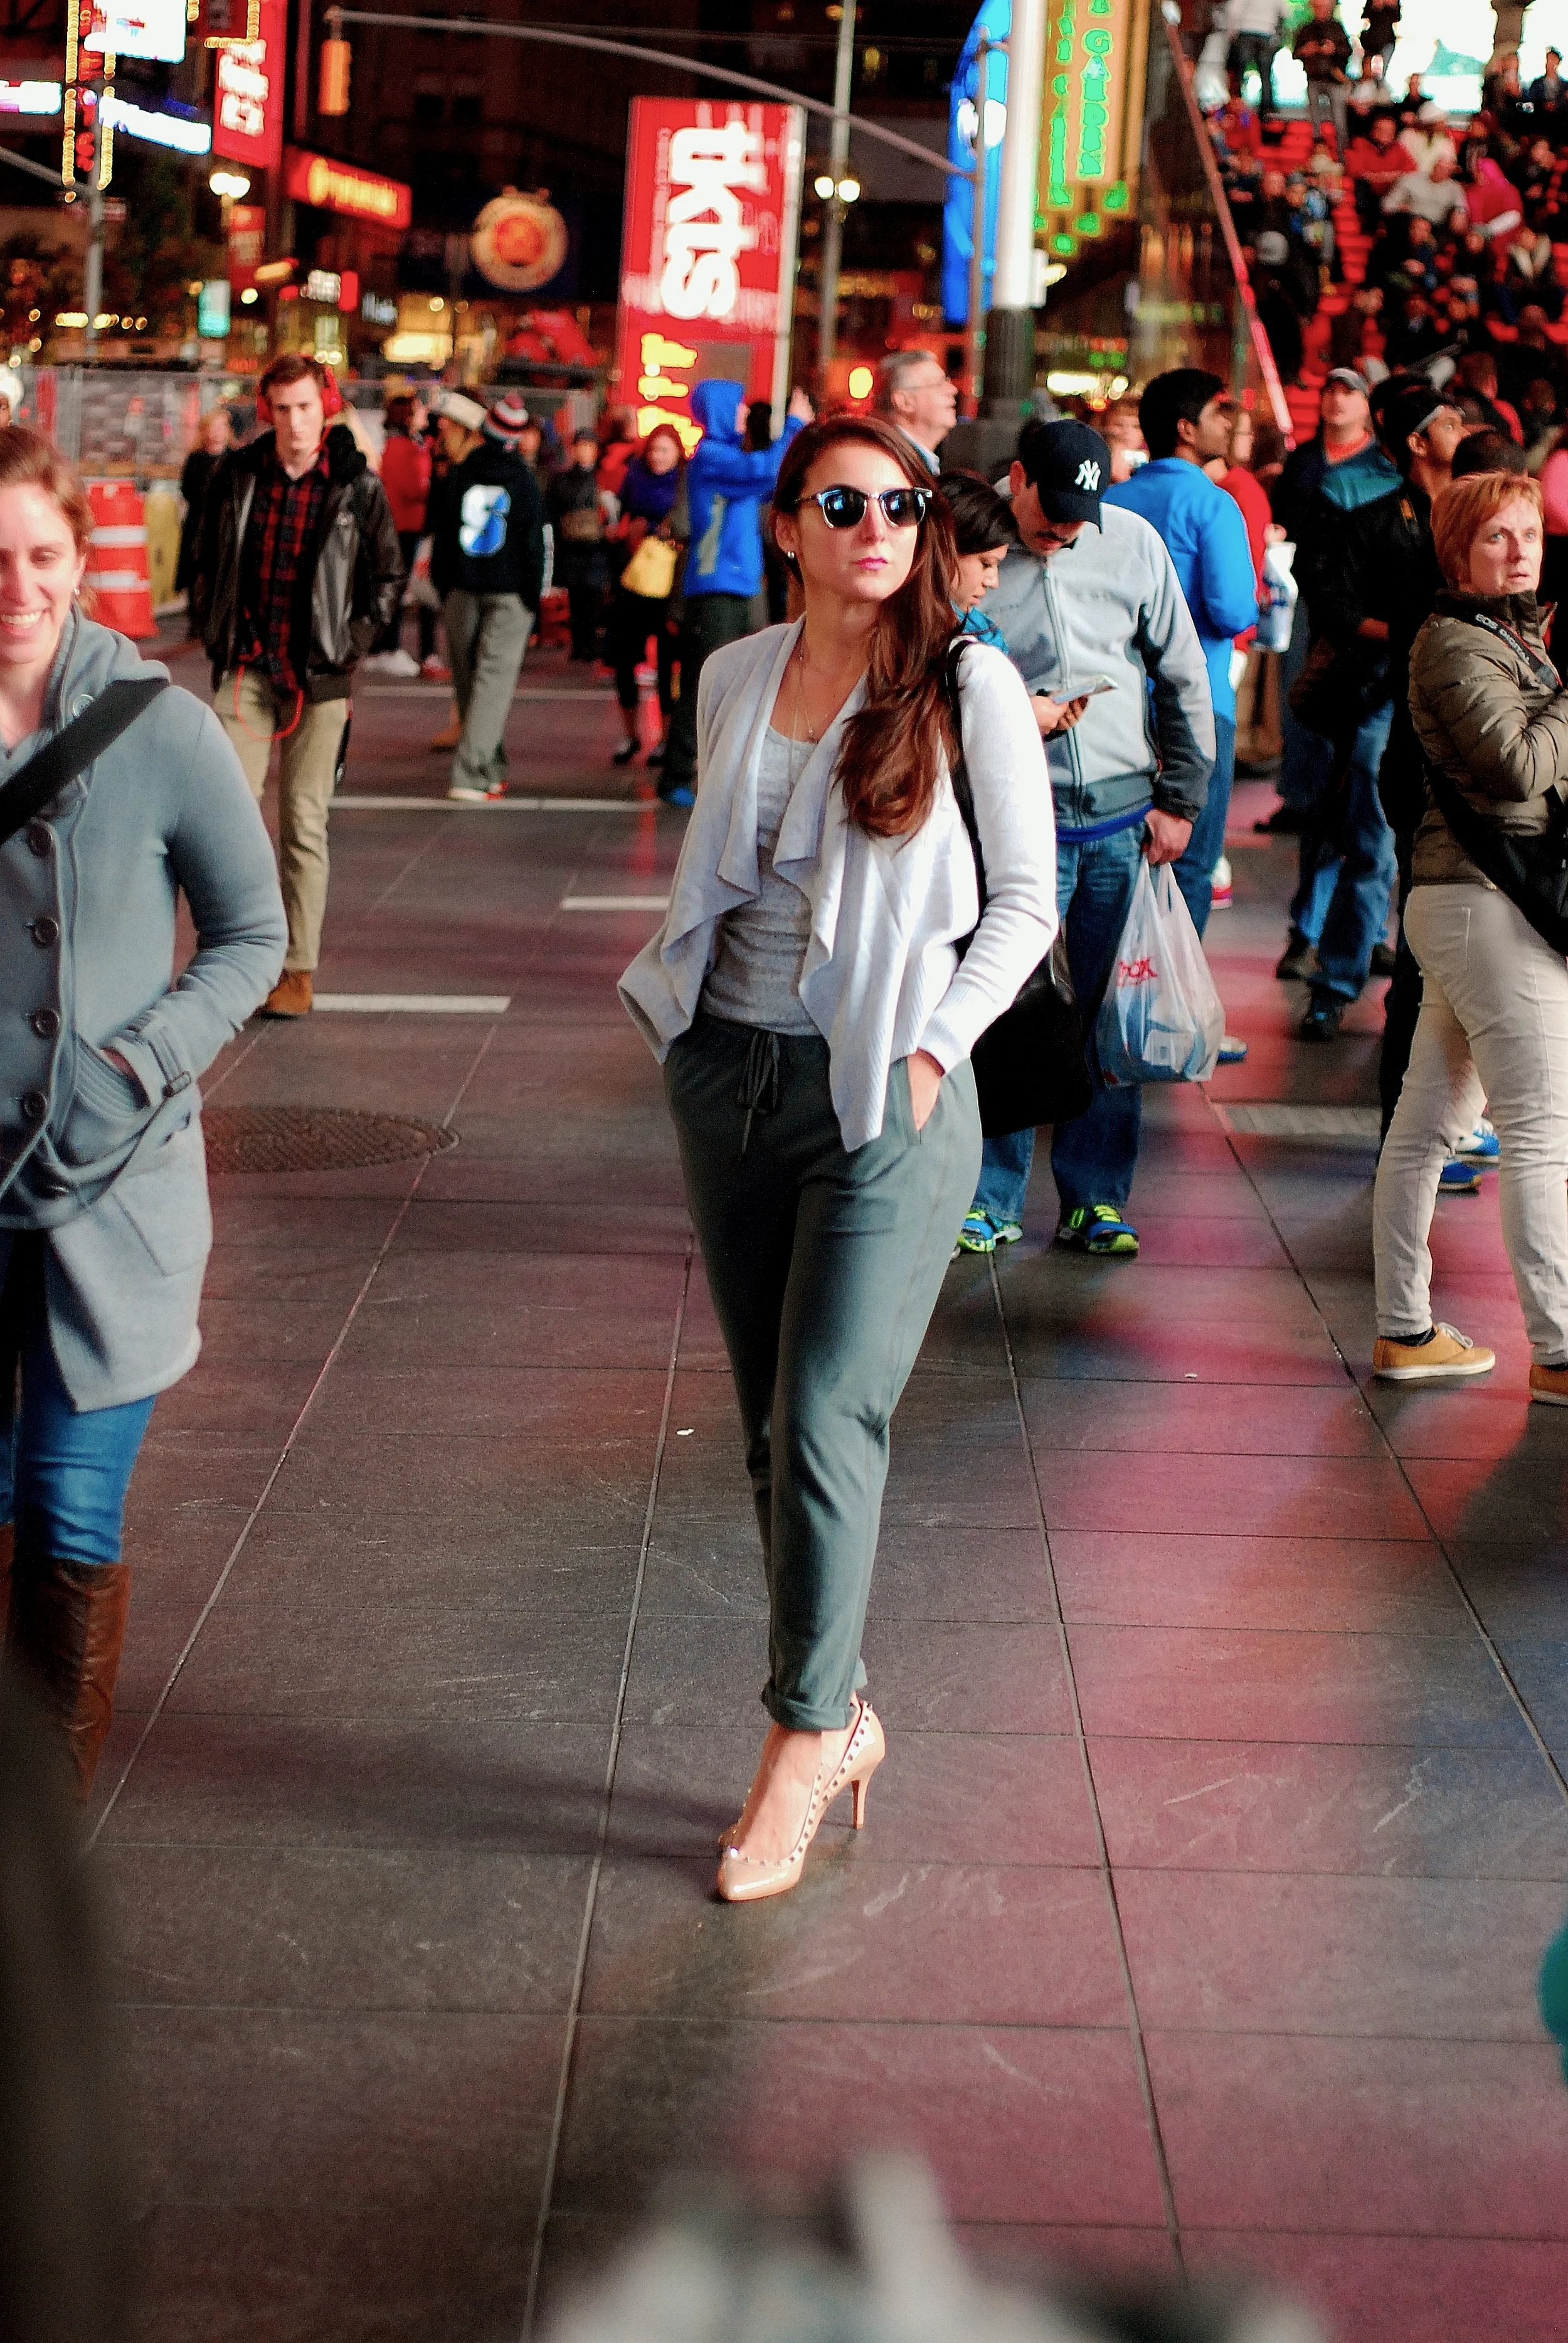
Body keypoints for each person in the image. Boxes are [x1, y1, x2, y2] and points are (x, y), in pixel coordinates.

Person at [618, 416, 1057, 1902]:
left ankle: (805, 1737)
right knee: (767, 1430)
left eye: (901, 504)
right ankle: (846, 1702)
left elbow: (1024, 903)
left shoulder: (965, 680)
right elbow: (722, 879)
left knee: (822, 1414)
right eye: (843, 503)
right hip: (726, 1077)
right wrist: (687, 1046)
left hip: (885, 1094)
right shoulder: (734, 672)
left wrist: (931, 1051)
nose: (876, 527)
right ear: (788, 527)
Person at [0, 425, 286, 1795]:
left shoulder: (158, 728)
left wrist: (137, 1064)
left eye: (40, 555)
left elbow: (251, 935)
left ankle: (39, 1836)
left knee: (68, 1501)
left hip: (109, 1181)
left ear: (80, 563)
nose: (15, 587)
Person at [975, 420, 1213, 1261]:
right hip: (1015, 820)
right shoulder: (973, 542)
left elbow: (1182, 671)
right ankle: (989, 1197)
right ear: (1017, 479)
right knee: (1005, 1007)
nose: (1065, 529)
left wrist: (1182, 799)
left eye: (1081, 515)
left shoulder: (1133, 542)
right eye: (1051, 511)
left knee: (1112, 1016)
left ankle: (1095, 1197)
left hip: (1119, 819)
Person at [1373, 470, 1568, 1402]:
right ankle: (1560, 1349)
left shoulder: (1506, 637)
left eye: (1529, 534)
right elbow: (1516, 767)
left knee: (1428, 1128)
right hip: (1485, 904)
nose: (1519, 551)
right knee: (1540, 1129)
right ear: (1457, 553)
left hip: (1472, 903)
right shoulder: (1455, 639)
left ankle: (1405, 1330)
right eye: (1497, 536)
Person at [191, 351, 402, 1019]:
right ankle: (233, 956)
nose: (295, 422)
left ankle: (297, 969)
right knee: (225, 812)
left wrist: (350, 645)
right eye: (282, 410)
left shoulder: (356, 486)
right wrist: (215, 628)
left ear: (327, 406)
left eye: (305, 407)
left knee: (303, 823)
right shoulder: (238, 475)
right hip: (248, 668)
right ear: (267, 413)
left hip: (319, 678)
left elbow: (387, 576)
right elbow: (205, 556)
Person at [1103, 369, 1258, 935]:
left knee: (1115, 858)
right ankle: (1170, 986)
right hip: (1197, 707)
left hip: (1113, 706)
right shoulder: (1213, 506)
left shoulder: (1111, 501)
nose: (1229, 425)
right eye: (1219, 413)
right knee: (1190, 863)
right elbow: (1234, 611)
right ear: (1187, 429)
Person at [659, 380, 813, 810]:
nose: (746, 414)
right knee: (703, 681)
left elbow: (772, 478)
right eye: (739, 406)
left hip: (740, 586)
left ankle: (714, 769)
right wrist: (794, 424)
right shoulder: (711, 457)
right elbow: (766, 471)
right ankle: (677, 773)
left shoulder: (725, 459)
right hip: (716, 588)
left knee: (743, 679)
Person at [426, 389, 545, 805]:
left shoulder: (459, 474)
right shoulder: (525, 480)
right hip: (509, 591)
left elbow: (441, 533)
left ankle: (491, 767)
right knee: (493, 683)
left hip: (461, 586)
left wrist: (444, 584)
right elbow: (535, 545)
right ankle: (473, 773)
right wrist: (533, 597)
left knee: (468, 680)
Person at [607, 423, 684, 767]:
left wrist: (658, 532)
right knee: (625, 657)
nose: (658, 457)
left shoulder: (684, 483)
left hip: (669, 585)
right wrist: (624, 533)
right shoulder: (635, 477)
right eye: (654, 449)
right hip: (633, 578)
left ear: (678, 453)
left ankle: (666, 738)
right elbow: (619, 520)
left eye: (665, 450)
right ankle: (631, 734)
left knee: (668, 662)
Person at [368, 391, 435, 677]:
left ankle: (386, 647)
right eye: (418, 410)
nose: (423, 415)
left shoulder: (402, 445)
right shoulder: (402, 447)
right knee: (397, 587)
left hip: (404, 525)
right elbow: (415, 488)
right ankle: (388, 648)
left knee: (396, 586)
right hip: (403, 526)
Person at [548, 428, 612, 663]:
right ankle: (580, 644)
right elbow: (553, 510)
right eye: (581, 446)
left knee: (594, 597)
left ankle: (590, 643)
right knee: (576, 598)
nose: (585, 451)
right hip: (572, 547)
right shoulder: (562, 479)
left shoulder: (604, 478)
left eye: (589, 446)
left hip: (597, 548)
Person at [938, 469, 1020, 653]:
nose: (993, 582)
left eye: (997, 566)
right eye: (986, 563)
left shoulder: (985, 633)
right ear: (944, 550)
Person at [174, 405, 232, 636]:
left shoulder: (233, 460)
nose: (217, 433)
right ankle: (196, 618)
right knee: (195, 568)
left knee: (221, 569)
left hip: (223, 525)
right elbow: (187, 490)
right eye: (212, 428)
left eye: (221, 427)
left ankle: (218, 619)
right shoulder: (196, 459)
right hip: (198, 523)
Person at [870, 348, 958, 472]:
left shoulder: (904, 459)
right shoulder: (889, 465)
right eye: (939, 384)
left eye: (947, 381)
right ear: (904, 402)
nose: (953, 390)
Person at [1293, 0, 1353, 154]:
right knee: (1315, 121)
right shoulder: (1306, 29)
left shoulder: (1337, 28)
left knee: (1339, 120)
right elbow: (1296, 52)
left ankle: (1342, 153)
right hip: (1314, 78)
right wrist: (1306, 50)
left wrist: (1334, 49)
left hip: (1333, 80)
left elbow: (1347, 50)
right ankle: (1318, 152)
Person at [1224, 0, 1288, 117]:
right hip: (1267, 32)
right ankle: (1267, 109)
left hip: (1245, 31)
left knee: (1240, 72)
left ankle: (1236, 105)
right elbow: (1285, 12)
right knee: (1266, 73)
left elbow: (1233, 10)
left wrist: (1232, 31)